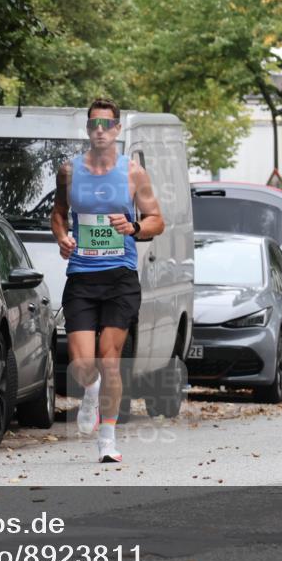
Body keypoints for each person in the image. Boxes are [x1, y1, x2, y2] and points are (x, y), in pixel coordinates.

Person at [50, 98, 165, 463]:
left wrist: (133, 227)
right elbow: (58, 214)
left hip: (120, 278)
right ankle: (91, 389)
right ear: (88, 130)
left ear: (117, 129)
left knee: (110, 359)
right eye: (93, 124)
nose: (99, 130)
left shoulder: (133, 173)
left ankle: (108, 440)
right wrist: (62, 238)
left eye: (106, 124)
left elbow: (156, 220)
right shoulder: (68, 171)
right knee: (83, 364)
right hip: (82, 277)